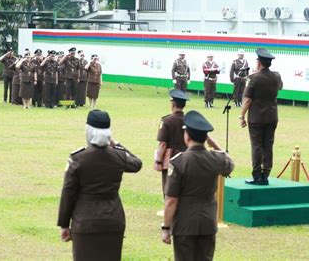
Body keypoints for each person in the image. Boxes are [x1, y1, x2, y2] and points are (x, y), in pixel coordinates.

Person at [57, 110, 143, 261]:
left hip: (85, 220)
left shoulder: (78, 159)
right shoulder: (118, 156)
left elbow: (68, 193)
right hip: (113, 219)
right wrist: (116, 143)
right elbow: (136, 163)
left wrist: (64, 224)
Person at [162, 110, 234, 261]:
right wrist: (213, 143)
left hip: (184, 224)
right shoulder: (215, 159)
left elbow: (171, 200)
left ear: (187, 136)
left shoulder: (179, 162)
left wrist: (166, 227)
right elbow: (230, 163)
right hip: (208, 222)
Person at [240, 48, 283, 185]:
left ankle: (257, 175)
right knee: (268, 145)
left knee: (257, 146)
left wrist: (241, 116)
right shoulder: (276, 76)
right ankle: (266, 174)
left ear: (259, 63)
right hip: (271, 116)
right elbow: (280, 87)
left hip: (256, 118)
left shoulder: (254, 78)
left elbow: (247, 100)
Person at [154, 89, 189, 198]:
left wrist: (158, 161)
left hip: (171, 159)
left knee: (169, 188)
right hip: (187, 158)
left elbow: (162, 144)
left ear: (173, 104)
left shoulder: (167, 121)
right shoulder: (189, 120)